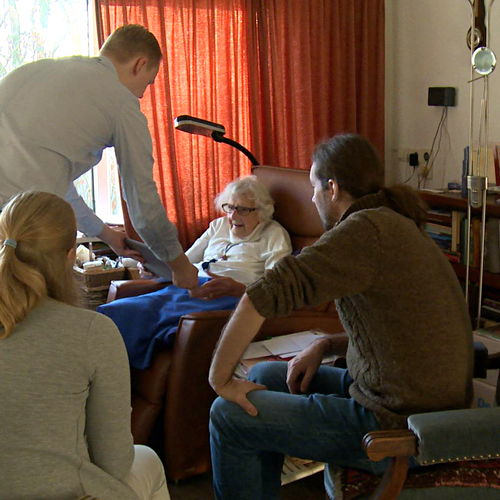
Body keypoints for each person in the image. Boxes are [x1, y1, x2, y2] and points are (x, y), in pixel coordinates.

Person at [208, 134, 474, 499]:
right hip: (411, 400)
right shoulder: (392, 223)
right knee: (263, 376)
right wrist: (325, 343)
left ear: (332, 187)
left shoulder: (363, 231)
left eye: (314, 187)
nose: (312, 197)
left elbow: (262, 295)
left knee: (228, 413)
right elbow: (399, 331)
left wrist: (219, 379)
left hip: (401, 427)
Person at [0, 191, 170, 500]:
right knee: (148, 461)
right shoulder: (92, 332)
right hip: (65, 491)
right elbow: (115, 464)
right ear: (70, 257)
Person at [0, 24, 198, 290]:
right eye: (148, 83)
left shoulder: (43, 70)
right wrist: (179, 265)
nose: (141, 94)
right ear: (140, 64)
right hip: (19, 222)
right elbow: (142, 201)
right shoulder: (122, 104)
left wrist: (105, 234)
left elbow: (54, 182)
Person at [97, 175, 292, 370]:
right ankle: (106, 376)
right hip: (187, 287)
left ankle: (118, 376)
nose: (232, 216)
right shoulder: (218, 226)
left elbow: (274, 287)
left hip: (226, 296)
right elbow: (185, 262)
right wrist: (156, 269)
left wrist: (240, 289)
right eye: (230, 207)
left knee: (154, 319)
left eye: (242, 210)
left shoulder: (274, 235)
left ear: (262, 212)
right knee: (120, 310)